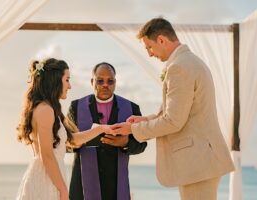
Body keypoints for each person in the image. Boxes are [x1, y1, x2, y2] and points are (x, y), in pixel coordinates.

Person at [111, 18, 235, 200]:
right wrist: (144, 120)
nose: (149, 54)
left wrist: (132, 129)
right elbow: (174, 113)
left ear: (161, 40)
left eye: (149, 47)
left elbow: (173, 121)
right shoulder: (189, 62)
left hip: (197, 163)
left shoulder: (180, 68)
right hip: (200, 161)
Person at [16, 58, 114, 200]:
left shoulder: (47, 109)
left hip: (50, 177)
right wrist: (62, 189)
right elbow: (47, 155)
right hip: (45, 179)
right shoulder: (45, 110)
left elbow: (71, 140)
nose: (70, 86)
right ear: (55, 81)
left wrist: (101, 128)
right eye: (67, 80)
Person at [68, 62, 147, 200]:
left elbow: (141, 144)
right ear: (92, 81)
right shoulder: (76, 107)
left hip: (115, 186)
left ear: (115, 82)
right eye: (100, 81)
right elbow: (65, 142)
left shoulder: (131, 108)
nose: (105, 85)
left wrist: (126, 142)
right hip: (82, 186)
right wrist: (77, 143)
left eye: (110, 81)